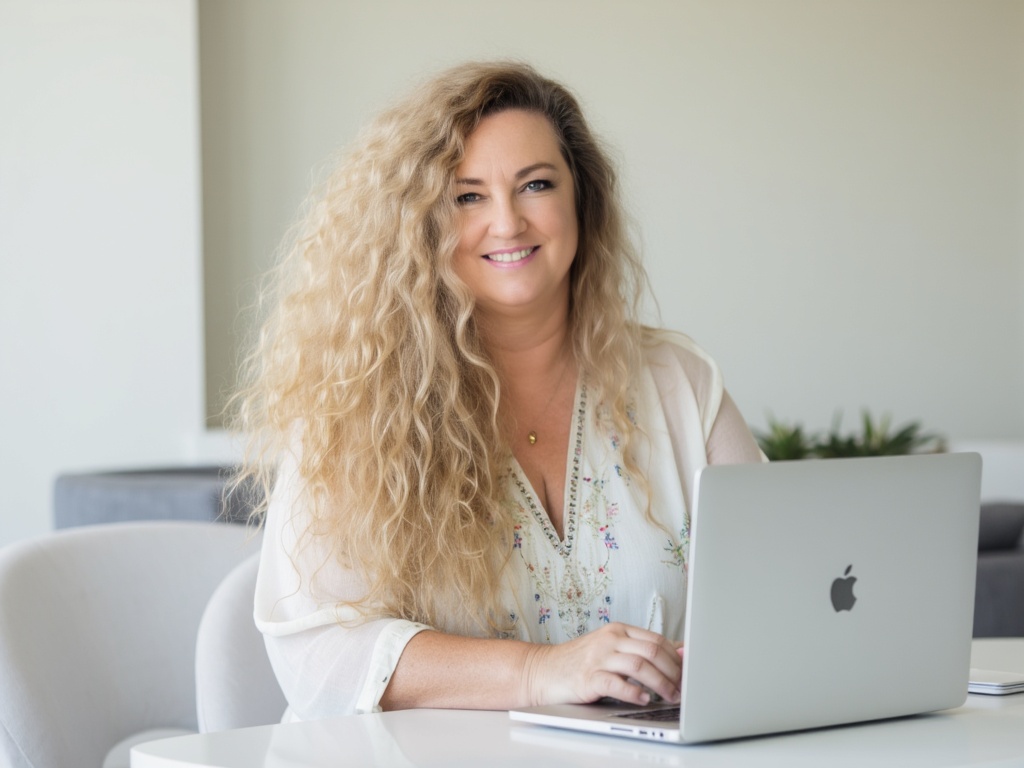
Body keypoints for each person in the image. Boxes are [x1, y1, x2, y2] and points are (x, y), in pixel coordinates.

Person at [236, 60, 764, 722]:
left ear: (582, 201)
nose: (508, 222)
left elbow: (777, 586)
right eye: (468, 196)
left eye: (536, 185)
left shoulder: (680, 383)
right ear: (420, 224)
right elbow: (320, 651)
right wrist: (540, 672)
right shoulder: (353, 406)